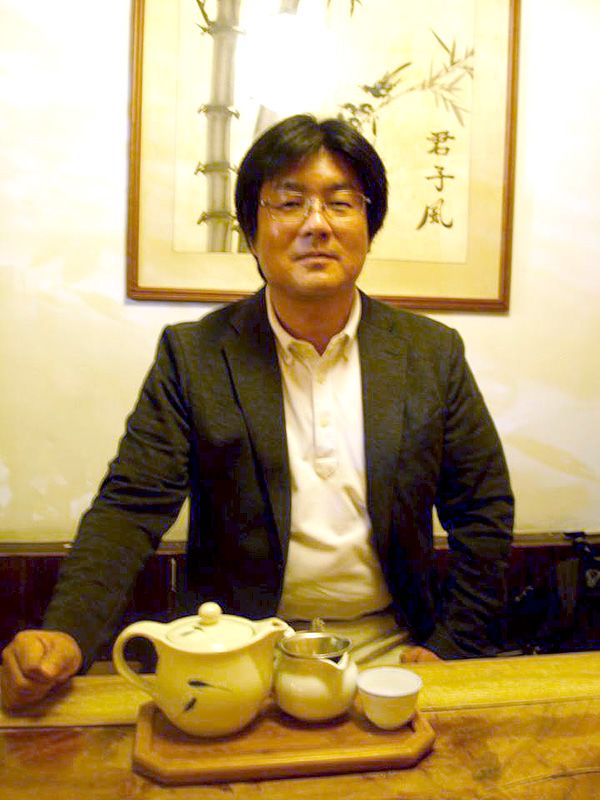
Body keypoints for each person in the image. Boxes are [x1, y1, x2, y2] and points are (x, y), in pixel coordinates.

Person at [1, 114, 513, 711]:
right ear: (251, 232)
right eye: (290, 203)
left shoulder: (431, 354)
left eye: (341, 203)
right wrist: (67, 632)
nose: (317, 224)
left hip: (389, 648)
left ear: (368, 227)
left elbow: (483, 509)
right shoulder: (194, 355)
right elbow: (130, 508)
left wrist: (452, 645)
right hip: (235, 649)